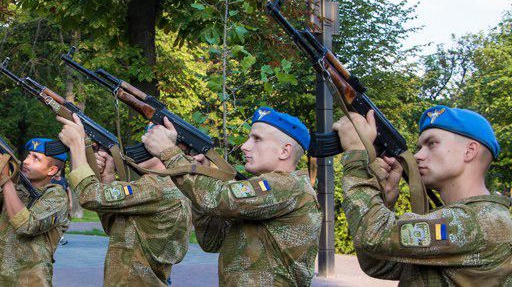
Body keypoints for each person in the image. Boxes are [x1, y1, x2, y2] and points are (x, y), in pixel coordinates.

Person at [333, 106, 512, 285]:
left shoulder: (479, 221)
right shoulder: (469, 218)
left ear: (470, 150)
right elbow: (380, 263)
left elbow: (373, 237)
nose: (418, 155)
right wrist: (385, 200)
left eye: (432, 143)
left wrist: (356, 153)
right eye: (419, 147)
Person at [142, 107, 322, 285]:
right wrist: (204, 174)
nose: (245, 146)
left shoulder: (290, 187)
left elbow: (219, 199)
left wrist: (169, 153)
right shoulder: (264, 198)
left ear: (285, 151)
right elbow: (212, 240)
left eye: (257, 139)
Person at [58, 114, 192, 286]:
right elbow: (115, 227)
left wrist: (76, 145)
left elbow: (89, 195)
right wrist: (107, 175)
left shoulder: (158, 187)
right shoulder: (163, 186)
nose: (143, 149)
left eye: (151, 144)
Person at [0, 132, 70, 286]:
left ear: (51, 170)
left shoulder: (56, 196)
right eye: (28, 155)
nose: (26, 161)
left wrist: (5, 179)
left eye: (36, 158)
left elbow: (26, 225)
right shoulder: (17, 190)